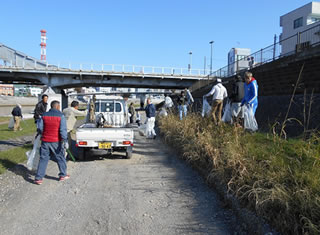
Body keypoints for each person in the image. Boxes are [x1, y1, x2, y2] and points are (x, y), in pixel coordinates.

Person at [34, 100, 69, 185]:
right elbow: (62, 130)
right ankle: (62, 175)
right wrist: (65, 140)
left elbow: (40, 128)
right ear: (57, 106)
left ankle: (39, 178)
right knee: (60, 158)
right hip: (56, 141)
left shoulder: (44, 115)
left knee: (43, 159)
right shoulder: (61, 116)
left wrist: (44, 134)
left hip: (45, 140)